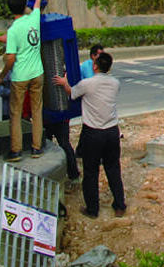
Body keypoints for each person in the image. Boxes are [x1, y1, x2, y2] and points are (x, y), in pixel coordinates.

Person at [53, 52, 127, 218]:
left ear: (95, 66)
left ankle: (93, 209)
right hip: (112, 131)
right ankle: (120, 205)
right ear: (109, 67)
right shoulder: (115, 83)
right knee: (113, 169)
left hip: (93, 132)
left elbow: (72, 93)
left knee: (91, 171)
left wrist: (64, 82)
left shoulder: (87, 84)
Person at [0, 0, 46, 162]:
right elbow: (37, 3)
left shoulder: (13, 30)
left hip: (20, 77)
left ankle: (16, 151)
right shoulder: (34, 18)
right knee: (37, 111)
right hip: (37, 73)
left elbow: (10, 59)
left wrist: (2, 76)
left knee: (15, 114)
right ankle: (37, 147)